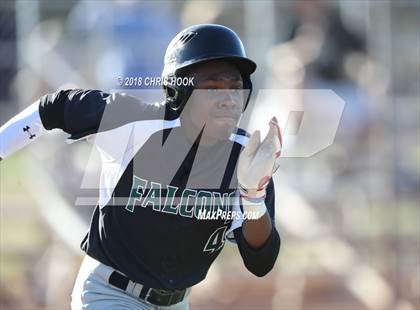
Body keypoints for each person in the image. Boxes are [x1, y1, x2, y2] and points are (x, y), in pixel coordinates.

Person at [0, 24, 281, 310]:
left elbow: (260, 261)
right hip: (110, 293)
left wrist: (253, 196)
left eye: (235, 87)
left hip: (176, 303)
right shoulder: (135, 123)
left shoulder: (245, 159)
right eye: (212, 87)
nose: (228, 98)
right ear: (176, 92)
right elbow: (53, 108)